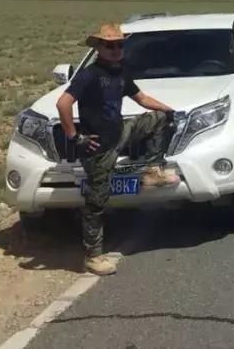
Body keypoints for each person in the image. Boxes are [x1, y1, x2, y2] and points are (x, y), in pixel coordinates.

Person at [56, 22, 180, 276]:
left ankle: (152, 170)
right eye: (110, 45)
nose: (115, 49)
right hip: (98, 148)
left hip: (119, 135)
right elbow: (63, 103)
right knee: (97, 202)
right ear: (99, 47)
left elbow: (141, 98)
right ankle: (93, 256)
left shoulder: (120, 71)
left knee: (160, 119)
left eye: (120, 44)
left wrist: (168, 109)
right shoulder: (89, 75)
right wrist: (74, 136)